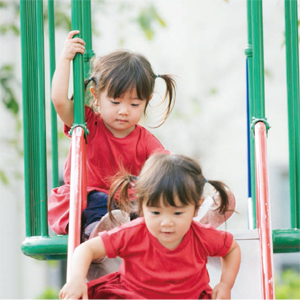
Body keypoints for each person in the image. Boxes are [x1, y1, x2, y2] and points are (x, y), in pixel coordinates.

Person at [47, 30, 176, 238]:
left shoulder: (145, 140)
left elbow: (166, 168)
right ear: (96, 96)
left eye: (135, 104)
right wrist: (65, 59)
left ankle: (190, 216)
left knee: (150, 201)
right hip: (91, 202)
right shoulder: (88, 123)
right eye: (115, 102)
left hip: (128, 206)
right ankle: (99, 232)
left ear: (147, 101)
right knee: (98, 200)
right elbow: (60, 101)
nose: (124, 110)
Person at [59, 153, 241, 300]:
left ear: (196, 208)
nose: (166, 222)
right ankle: (103, 224)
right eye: (155, 212)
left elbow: (231, 248)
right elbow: (86, 249)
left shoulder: (201, 236)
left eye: (177, 213)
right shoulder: (133, 232)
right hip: (132, 296)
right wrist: (76, 280)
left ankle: (207, 216)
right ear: (141, 206)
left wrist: (225, 284)